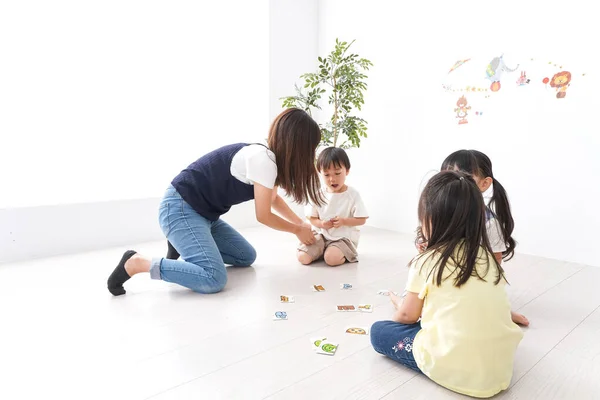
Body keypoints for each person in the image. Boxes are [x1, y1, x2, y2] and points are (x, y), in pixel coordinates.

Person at [107, 108, 322, 296]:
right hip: (179, 208)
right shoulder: (262, 159)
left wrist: (301, 225)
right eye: (310, 149)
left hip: (204, 216)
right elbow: (263, 215)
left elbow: (273, 200)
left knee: (246, 256)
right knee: (213, 278)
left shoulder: (270, 161)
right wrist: (296, 230)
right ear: (298, 146)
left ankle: (183, 242)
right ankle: (137, 263)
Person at [371, 170, 524, 398]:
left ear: (429, 219)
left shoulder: (426, 260)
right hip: (500, 370)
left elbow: (406, 317)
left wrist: (398, 302)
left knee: (379, 331)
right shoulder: (486, 257)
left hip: (456, 370)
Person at [440, 149, 529, 326]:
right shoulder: (438, 212)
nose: (454, 184)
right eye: (447, 177)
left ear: (484, 183)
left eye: (464, 178)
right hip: (444, 274)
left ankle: (500, 310)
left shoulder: (489, 223)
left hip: (473, 280)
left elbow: (495, 262)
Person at [297, 147, 368, 266]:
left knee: (331, 259)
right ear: (320, 173)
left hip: (343, 239)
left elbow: (362, 219)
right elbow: (311, 218)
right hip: (321, 235)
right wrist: (322, 224)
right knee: (302, 257)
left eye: (337, 173)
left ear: (347, 171)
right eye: (326, 174)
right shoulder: (318, 194)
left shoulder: (352, 195)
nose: (332, 179)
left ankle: (333, 251)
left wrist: (344, 221)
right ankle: (322, 249)